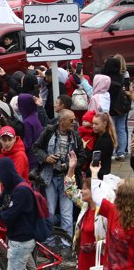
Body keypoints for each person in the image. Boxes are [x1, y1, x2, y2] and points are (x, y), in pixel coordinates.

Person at [64, 152, 114, 270]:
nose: (82, 192)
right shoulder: (84, 207)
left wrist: (95, 245)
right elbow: (69, 189)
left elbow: (113, 235)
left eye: (85, 189)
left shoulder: (104, 211)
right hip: (84, 258)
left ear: (93, 191)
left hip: (99, 257)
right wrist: (71, 167)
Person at [32, 109, 87, 237]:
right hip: (49, 178)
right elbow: (35, 147)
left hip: (67, 179)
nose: (74, 122)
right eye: (71, 120)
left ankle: (67, 245)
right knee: (50, 211)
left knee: (67, 213)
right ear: (62, 121)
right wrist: (46, 158)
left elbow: (82, 157)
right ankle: (49, 243)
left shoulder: (75, 136)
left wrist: (68, 165)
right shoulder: (49, 131)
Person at [17, 94, 43, 170]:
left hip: (32, 158)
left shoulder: (27, 122)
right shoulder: (35, 115)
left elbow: (27, 143)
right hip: (39, 155)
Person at [90, 112, 116, 179]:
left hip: (100, 174)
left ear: (104, 124)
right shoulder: (99, 136)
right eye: (93, 123)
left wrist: (85, 148)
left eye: (96, 124)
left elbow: (96, 158)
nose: (93, 126)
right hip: (100, 172)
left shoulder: (106, 141)